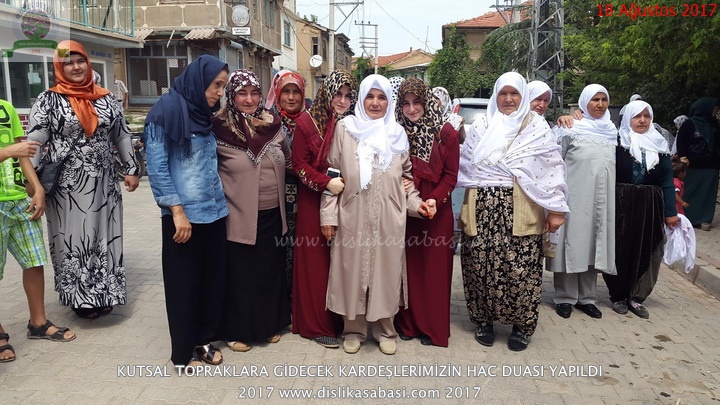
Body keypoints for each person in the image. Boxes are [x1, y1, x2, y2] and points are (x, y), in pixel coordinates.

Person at [319, 74, 433, 356]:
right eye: (369, 96)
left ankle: (385, 330)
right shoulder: (346, 130)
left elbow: (407, 181)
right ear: (361, 99)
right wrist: (328, 215)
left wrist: (418, 205)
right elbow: (333, 173)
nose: (375, 103)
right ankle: (353, 330)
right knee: (351, 271)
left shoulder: (397, 134)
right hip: (352, 214)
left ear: (389, 102)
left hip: (389, 218)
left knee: (386, 272)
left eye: (381, 97)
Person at [457, 72, 569, 351]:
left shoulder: (536, 128)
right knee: (479, 265)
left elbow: (552, 169)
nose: (508, 99)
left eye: (514, 93)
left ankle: (522, 327)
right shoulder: (481, 126)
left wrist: (556, 210)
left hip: (523, 207)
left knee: (522, 269)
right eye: (503, 93)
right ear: (495, 96)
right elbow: (467, 165)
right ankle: (483, 321)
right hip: (481, 207)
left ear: (523, 96)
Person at [28, 40, 139, 320]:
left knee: (105, 234)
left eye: (80, 61)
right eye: (68, 63)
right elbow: (35, 141)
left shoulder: (106, 98)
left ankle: (105, 292)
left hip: (104, 181)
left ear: (88, 64)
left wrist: (131, 168)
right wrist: (34, 182)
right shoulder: (48, 100)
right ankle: (80, 297)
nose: (76, 67)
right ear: (59, 67)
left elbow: (121, 134)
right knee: (74, 237)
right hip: (68, 185)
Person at [145, 54, 229, 368]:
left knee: (211, 281)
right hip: (183, 218)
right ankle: (182, 352)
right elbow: (157, 167)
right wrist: (177, 211)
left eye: (223, 86)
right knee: (184, 285)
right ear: (199, 80)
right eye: (216, 85)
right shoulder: (164, 112)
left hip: (215, 212)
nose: (219, 92)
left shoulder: (203, 114)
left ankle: (203, 340)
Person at [214, 69, 291, 352]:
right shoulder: (218, 128)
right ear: (231, 96)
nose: (249, 99)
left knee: (269, 272)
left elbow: (290, 160)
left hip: (273, 214)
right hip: (237, 216)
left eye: (254, 93)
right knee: (241, 276)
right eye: (242, 93)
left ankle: (268, 325)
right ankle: (237, 331)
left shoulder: (273, 124)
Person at [1, 99, 75, 363]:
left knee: (34, 261)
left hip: (20, 200)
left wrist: (37, 188)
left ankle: (38, 323)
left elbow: (23, 153)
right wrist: (7, 151)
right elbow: (14, 150)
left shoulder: (5, 107)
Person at [291, 70, 356, 348]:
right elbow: (298, 165)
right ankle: (316, 325)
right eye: (337, 94)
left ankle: (341, 321)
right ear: (327, 93)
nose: (342, 101)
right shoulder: (307, 123)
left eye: (348, 96)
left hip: (345, 199)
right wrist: (325, 182)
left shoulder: (353, 124)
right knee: (316, 263)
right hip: (313, 199)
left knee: (339, 262)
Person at [393, 78, 459, 347]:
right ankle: (408, 324)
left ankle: (432, 328)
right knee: (408, 268)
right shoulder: (395, 132)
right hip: (405, 209)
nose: (411, 109)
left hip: (436, 212)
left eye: (417, 102)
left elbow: (451, 176)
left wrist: (433, 200)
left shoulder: (445, 133)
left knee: (434, 270)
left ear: (427, 101)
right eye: (405, 103)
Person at [603, 100, 678, 319]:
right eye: (637, 116)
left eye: (647, 116)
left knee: (650, 248)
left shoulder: (660, 145)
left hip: (651, 204)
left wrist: (670, 212)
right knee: (620, 248)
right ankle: (618, 295)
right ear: (628, 119)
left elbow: (667, 180)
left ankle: (637, 297)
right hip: (622, 202)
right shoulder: (617, 143)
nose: (643, 120)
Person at [548, 84, 617, 320]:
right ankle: (565, 297)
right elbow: (555, 163)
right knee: (572, 243)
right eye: (595, 100)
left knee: (594, 244)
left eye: (604, 100)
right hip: (574, 198)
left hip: (601, 201)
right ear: (584, 102)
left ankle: (587, 298)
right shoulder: (570, 129)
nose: (600, 104)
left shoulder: (611, 131)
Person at [266, 70, 306, 290]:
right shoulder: (267, 122)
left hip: (306, 194)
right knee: (278, 246)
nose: (291, 97)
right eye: (286, 92)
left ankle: (298, 297)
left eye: (295, 92)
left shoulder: (311, 121)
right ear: (278, 94)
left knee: (303, 245)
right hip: (275, 196)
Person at [675, 97, 720, 231]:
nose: (716, 111)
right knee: (689, 191)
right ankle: (686, 217)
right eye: (714, 108)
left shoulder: (714, 124)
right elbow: (681, 141)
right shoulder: (689, 124)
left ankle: (704, 219)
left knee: (708, 193)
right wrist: (683, 157)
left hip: (711, 165)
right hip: (692, 165)